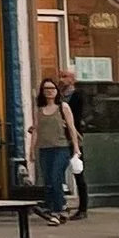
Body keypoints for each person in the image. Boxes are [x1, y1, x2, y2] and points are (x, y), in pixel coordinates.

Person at [32, 76, 80, 222]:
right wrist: (31, 150)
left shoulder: (63, 107)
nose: (49, 92)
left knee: (55, 177)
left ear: (57, 91)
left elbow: (72, 128)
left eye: (52, 89)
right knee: (48, 180)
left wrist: (76, 148)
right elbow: (35, 130)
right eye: (46, 89)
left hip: (61, 148)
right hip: (44, 149)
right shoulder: (39, 110)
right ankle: (56, 207)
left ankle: (57, 210)